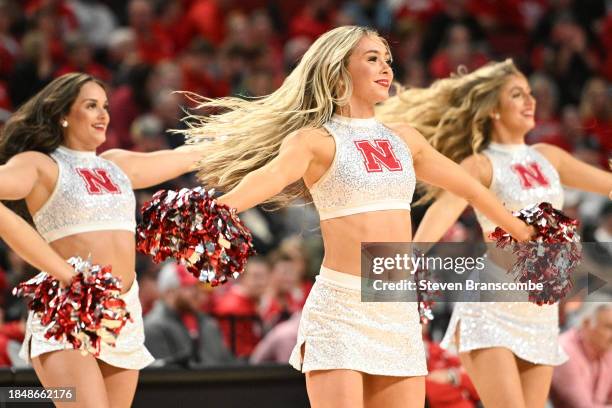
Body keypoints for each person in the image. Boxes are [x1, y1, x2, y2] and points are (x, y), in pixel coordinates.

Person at [183, 26, 535, 408]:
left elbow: (468, 187)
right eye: (372, 58)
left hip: (396, 308)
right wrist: (217, 209)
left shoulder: (406, 138)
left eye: (388, 60)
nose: (386, 68)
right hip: (342, 308)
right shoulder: (314, 140)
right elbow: (269, 178)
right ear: (339, 70)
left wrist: (517, 228)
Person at [377, 59, 612, 408]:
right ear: (493, 110)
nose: (530, 101)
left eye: (530, 93)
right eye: (517, 95)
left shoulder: (550, 157)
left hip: (541, 313)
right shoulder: (482, 164)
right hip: (491, 307)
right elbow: (443, 211)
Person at [0, 72, 202, 408]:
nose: (103, 114)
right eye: (91, 105)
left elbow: (190, 157)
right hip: (69, 307)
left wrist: (249, 137)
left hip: (122, 312)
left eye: (105, 106)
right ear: (63, 114)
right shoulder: (39, 165)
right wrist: (64, 273)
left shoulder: (116, 164)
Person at [144, 262, 235, 368]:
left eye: (201, 287)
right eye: (191, 287)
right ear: (169, 292)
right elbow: (163, 377)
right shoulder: (153, 327)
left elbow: (228, 365)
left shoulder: (208, 324)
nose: (199, 293)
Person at [550, 302, 612, 408]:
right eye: (609, 327)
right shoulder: (565, 352)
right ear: (586, 323)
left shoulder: (606, 348)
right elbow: (583, 406)